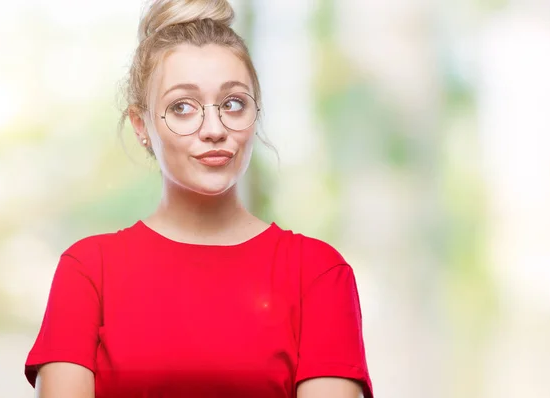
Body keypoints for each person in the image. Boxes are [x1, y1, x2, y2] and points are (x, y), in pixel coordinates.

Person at [24, 0, 373, 397]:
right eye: (183, 107)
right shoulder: (88, 271)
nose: (214, 129)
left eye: (233, 103)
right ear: (141, 125)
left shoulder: (317, 273)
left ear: (254, 114)